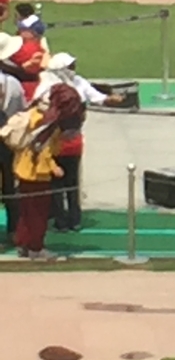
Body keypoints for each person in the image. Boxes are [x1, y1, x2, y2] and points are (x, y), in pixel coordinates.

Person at [36, 53, 123, 232]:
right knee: (57, 183)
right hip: (54, 141)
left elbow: (96, 96)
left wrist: (109, 99)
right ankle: (60, 219)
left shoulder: (78, 82)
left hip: (73, 140)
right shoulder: (47, 85)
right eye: (70, 66)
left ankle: (74, 219)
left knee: (71, 182)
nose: (74, 69)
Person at [13, 84, 84, 260]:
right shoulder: (47, 121)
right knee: (39, 212)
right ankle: (36, 248)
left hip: (24, 169)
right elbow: (42, 149)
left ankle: (23, 244)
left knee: (27, 211)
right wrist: (54, 167)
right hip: (37, 173)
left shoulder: (36, 112)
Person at [0, 33, 27, 248]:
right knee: (11, 186)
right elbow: (21, 113)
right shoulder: (14, 84)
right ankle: (12, 231)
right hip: (7, 139)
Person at [8, 15, 47, 103]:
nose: (19, 31)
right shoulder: (40, 47)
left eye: (23, 29)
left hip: (24, 88)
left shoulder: (27, 48)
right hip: (35, 85)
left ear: (33, 32)